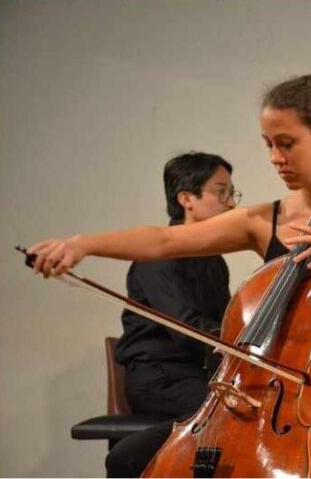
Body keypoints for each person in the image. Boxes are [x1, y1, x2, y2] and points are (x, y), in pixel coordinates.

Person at [30, 75, 311, 477]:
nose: (275, 157)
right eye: (269, 144)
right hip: (263, 398)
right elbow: (164, 242)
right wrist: (82, 244)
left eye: (286, 143)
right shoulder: (265, 220)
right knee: (130, 457)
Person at [106, 153, 234, 478]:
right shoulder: (158, 259)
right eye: (222, 192)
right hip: (159, 379)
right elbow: (188, 329)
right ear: (186, 199)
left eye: (233, 193)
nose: (231, 203)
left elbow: (225, 322)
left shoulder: (214, 260)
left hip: (197, 375)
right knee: (232, 413)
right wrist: (239, 341)